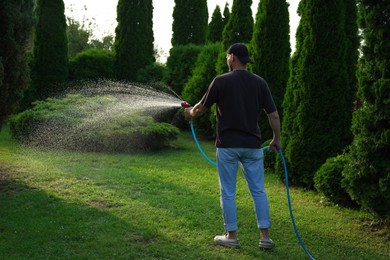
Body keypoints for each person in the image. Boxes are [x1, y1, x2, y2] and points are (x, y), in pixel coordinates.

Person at [184, 43, 281, 249]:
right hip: (253, 146)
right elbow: (273, 114)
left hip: (227, 146)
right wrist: (276, 139)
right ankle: (265, 237)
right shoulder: (260, 83)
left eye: (228, 56)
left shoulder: (221, 81)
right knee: (258, 191)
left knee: (228, 191)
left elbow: (200, 108)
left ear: (232, 57)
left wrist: (190, 113)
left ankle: (232, 236)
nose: (227, 59)